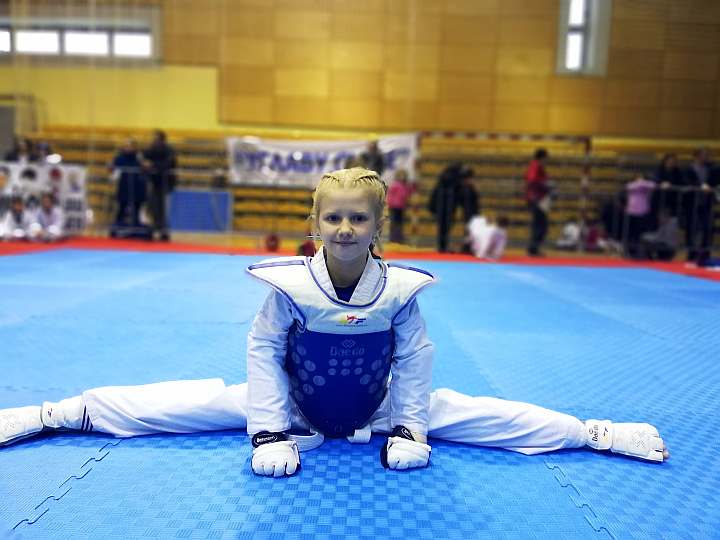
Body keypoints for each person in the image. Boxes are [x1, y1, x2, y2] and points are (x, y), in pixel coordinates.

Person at [0, 167, 668, 477]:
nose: (345, 228)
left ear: (379, 224)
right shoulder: (289, 287)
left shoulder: (400, 290)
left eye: (358, 218)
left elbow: (416, 361)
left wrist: (410, 427)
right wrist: (268, 431)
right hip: (292, 405)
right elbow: (263, 353)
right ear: (315, 222)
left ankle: (593, 432)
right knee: (185, 403)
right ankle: (60, 413)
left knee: (480, 415)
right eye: (333, 217)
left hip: (379, 406)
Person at [142, 130, 177, 241]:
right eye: (153, 139)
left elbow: (168, 164)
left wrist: (153, 165)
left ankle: (163, 231)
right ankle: (154, 229)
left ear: (162, 140)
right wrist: (145, 163)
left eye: (156, 139)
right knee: (153, 207)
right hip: (154, 182)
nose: (154, 141)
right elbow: (144, 158)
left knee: (163, 208)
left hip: (165, 184)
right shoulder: (151, 149)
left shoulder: (169, 150)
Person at [683, 148, 716, 262]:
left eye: (707, 155)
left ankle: (705, 253)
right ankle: (691, 253)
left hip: (706, 202)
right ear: (696, 156)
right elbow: (687, 182)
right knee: (691, 228)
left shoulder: (710, 168)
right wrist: (700, 186)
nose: (706, 157)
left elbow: (714, 181)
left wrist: (709, 188)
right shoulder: (689, 169)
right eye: (704, 155)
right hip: (692, 203)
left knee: (708, 227)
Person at [110, 138, 147, 233]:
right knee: (121, 209)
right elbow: (113, 168)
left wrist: (144, 164)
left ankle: (136, 230)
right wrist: (111, 167)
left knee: (136, 210)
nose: (128, 148)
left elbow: (145, 168)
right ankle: (117, 229)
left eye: (130, 146)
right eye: (126, 146)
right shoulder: (120, 158)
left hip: (137, 188)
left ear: (135, 147)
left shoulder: (139, 158)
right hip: (124, 188)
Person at [428, 162, 463, 252]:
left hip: (441, 207)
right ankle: (445, 246)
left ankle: (441, 246)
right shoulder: (456, 181)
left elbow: (434, 195)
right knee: (447, 228)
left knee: (441, 228)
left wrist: (432, 208)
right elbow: (459, 196)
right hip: (449, 207)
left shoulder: (441, 181)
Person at [525, 149, 551, 256]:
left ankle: (534, 248)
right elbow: (532, 180)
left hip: (538, 198)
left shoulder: (538, 166)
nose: (547, 160)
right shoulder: (535, 166)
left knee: (540, 224)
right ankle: (533, 248)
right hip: (536, 199)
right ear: (542, 157)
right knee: (540, 224)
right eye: (546, 158)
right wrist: (545, 185)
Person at [386, 168, 414, 244]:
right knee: (394, 222)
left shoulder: (406, 186)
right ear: (398, 176)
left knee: (400, 223)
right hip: (394, 207)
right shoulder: (395, 185)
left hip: (401, 207)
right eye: (401, 175)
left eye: (404, 175)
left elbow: (407, 194)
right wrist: (390, 203)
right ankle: (393, 238)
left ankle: (399, 238)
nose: (402, 177)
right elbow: (390, 195)